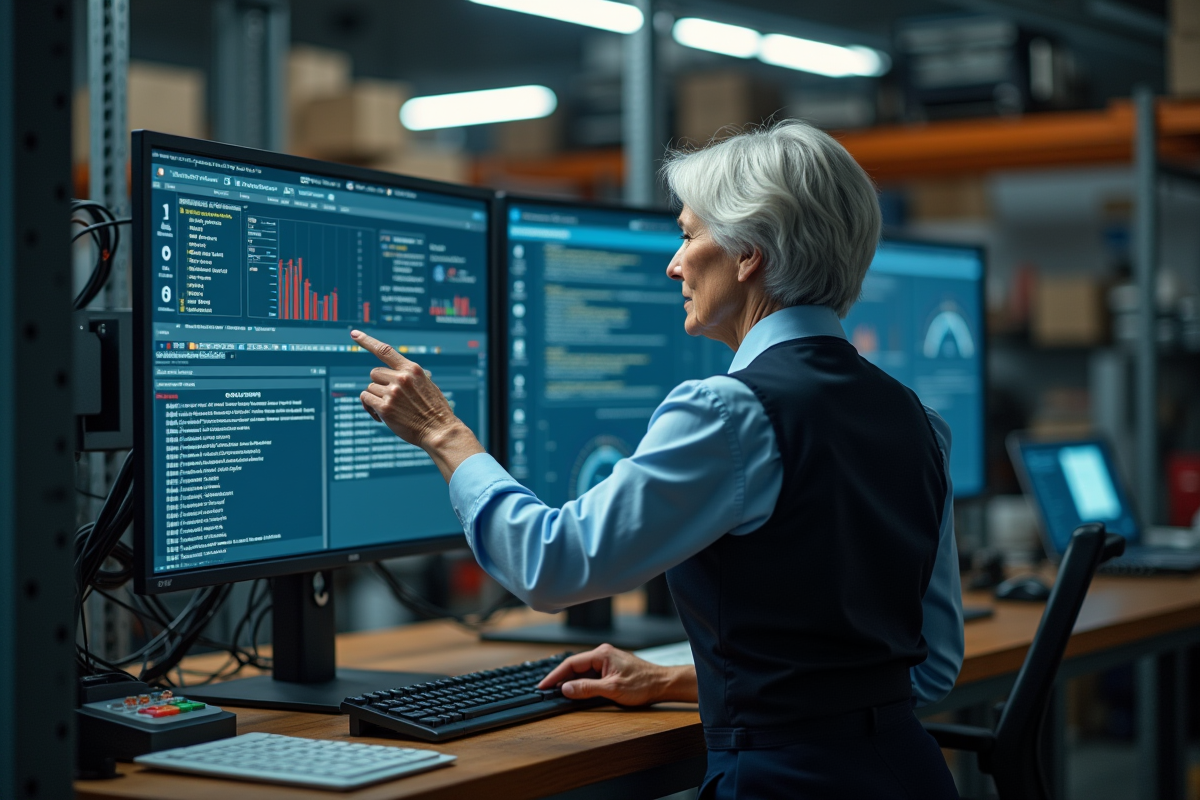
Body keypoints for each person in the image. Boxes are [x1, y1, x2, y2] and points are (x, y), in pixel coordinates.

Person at [351, 120, 963, 799]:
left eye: (688, 234)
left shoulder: (728, 413)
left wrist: (444, 434)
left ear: (748, 251)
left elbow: (551, 566)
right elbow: (927, 670)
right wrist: (674, 679)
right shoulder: (919, 420)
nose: (674, 264)